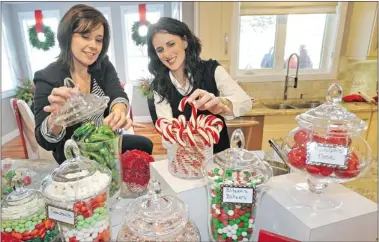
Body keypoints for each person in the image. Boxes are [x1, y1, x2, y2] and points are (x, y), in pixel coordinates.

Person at [33, 4, 153, 164]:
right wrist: (56, 119)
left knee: (144, 144)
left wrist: (118, 112)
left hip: (105, 143)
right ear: (68, 35)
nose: (94, 46)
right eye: (85, 36)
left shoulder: (103, 65)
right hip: (75, 154)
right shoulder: (47, 77)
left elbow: (117, 93)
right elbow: (45, 142)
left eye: (99, 40)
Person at [146, 17, 252, 154]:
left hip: (218, 157)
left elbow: (245, 102)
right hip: (184, 161)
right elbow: (168, 137)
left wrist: (222, 105)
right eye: (160, 50)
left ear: (184, 42)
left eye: (171, 44)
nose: (166, 54)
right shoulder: (159, 87)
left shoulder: (211, 69)